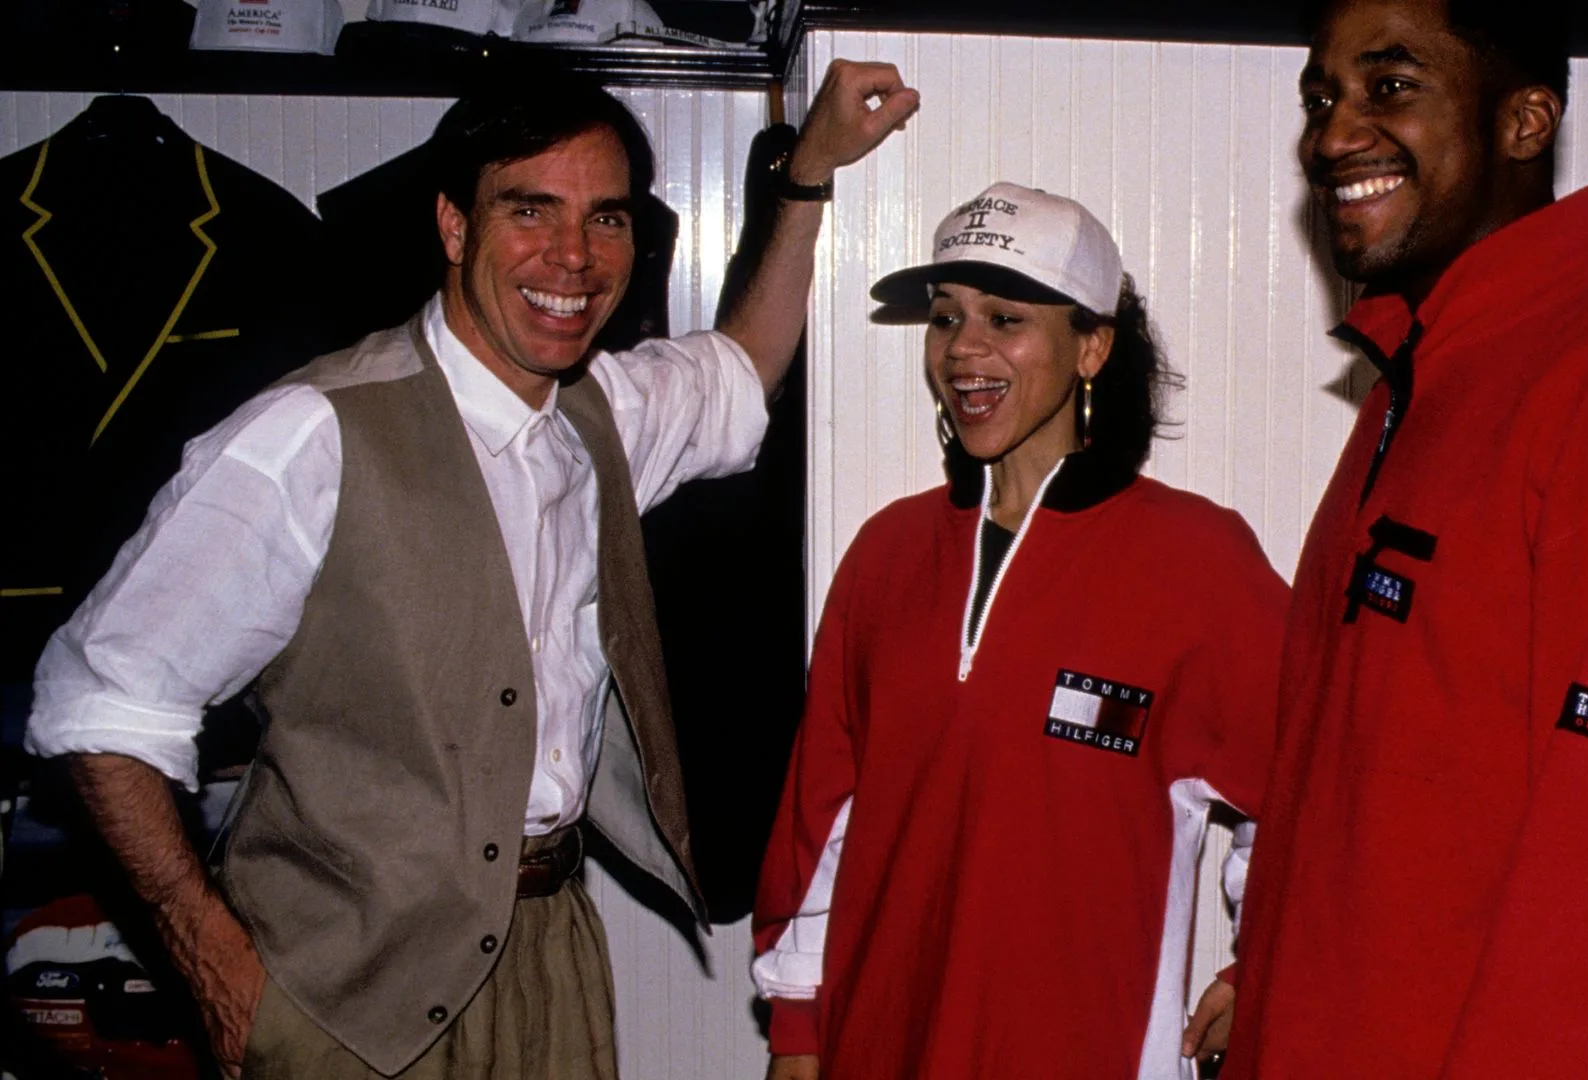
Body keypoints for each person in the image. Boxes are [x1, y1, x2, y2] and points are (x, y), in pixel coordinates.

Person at [24, 62, 918, 1079]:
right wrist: (213, 964)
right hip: (342, 991)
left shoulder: (605, 413)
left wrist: (803, 175)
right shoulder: (311, 435)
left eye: (608, 219)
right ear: (454, 227)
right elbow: (96, 700)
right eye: (530, 210)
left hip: (549, 957)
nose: (574, 257)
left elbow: (745, 363)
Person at [1210, 1, 1588, 1077]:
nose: (1333, 134)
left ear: (1524, 121)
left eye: (1390, 87)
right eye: (1321, 97)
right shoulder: (1425, 375)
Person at [750, 182, 1292, 1080]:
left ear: (1092, 347)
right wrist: (799, 1034)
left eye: (1006, 319)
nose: (964, 350)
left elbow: (1309, 788)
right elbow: (825, 822)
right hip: (884, 1043)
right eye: (945, 317)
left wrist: (1261, 961)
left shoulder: (1197, 563)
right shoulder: (888, 555)